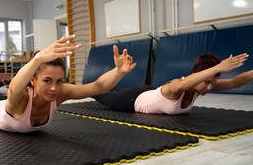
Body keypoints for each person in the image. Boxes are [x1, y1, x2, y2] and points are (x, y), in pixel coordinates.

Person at [0, 35, 136, 133]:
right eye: (47, 81)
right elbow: (14, 87)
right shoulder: (20, 97)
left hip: (4, 102)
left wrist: (118, 71)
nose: (54, 88)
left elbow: (98, 87)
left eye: (59, 81)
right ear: (33, 80)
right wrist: (37, 59)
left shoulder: (60, 93)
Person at [93, 52, 251, 114]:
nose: (209, 88)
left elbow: (236, 82)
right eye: (207, 83)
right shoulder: (176, 86)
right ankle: (91, 84)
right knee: (99, 92)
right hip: (133, 100)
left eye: (212, 84)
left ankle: (109, 83)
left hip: (148, 91)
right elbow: (182, 85)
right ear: (196, 75)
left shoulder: (201, 86)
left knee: (115, 89)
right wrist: (218, 67)